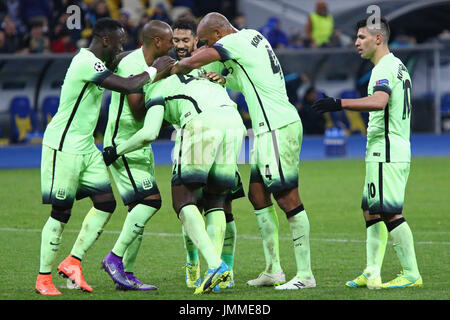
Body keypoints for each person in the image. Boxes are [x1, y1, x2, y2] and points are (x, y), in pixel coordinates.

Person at [171, 12, 316, 290]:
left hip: (277, 126)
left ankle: (305, 274)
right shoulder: (254, 37)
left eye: (206, 40)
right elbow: (247, 80)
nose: (205, 45)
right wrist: (224, 79)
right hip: (266, 129)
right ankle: (273, 269)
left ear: (217, 34)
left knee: (287, 198)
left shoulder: (234, 41)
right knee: (257, 195)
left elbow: (199, 59)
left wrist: (179, 65)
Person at [35, 17, 174, 296]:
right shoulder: (85, 62)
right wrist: (153, 69)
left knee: (106, 203)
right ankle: (43, 278)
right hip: (63, 146)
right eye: (119, 41)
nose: (121, 46)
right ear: (105, 40)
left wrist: (137, 55)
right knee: (61, 214)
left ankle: (73, 261)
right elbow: (127, 85)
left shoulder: (99, 60)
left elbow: (118, 60)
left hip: (87, 147)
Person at [103, 71, 246, 295]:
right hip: (235, 124)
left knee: (183, 200)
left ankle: (214, 264)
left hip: (202, 124)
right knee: (216, 200)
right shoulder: (196, 78)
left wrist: (115, 151)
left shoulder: (155, 88)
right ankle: (216, 274)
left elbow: (149, 133)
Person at [311, 17, 422, 289]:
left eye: (362, 37)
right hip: (383, 148)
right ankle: (372, 270)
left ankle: (411, 273)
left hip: (386, 149)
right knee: (370, 210)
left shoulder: (384, 67)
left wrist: (339, 103)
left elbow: (379, 101)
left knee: (389, 212)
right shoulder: (397, 65)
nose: (356, 42)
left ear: (378, 39)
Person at [100, 20, 175, 291]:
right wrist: (162, 101)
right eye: (169, 41)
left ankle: (126, 275)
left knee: (138, 213)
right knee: (151, 201)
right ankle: (114, 258)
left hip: (137, 143)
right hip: (123, 143)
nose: (173, 46)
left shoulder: (143, 60)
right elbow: (138, 110)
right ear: (157, 41)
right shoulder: (135, 65)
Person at [170, 17, 243, 290]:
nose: (179, 45)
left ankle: (224, 270)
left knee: (223, 205)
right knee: (192, 206)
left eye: (185, 40)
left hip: (221, 131)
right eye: (175, 40)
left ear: (196, 41)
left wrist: (224, 78)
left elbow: (236, 78)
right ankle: (193, 264)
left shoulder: (212, 61)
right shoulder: (169, 69)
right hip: (188, 136)